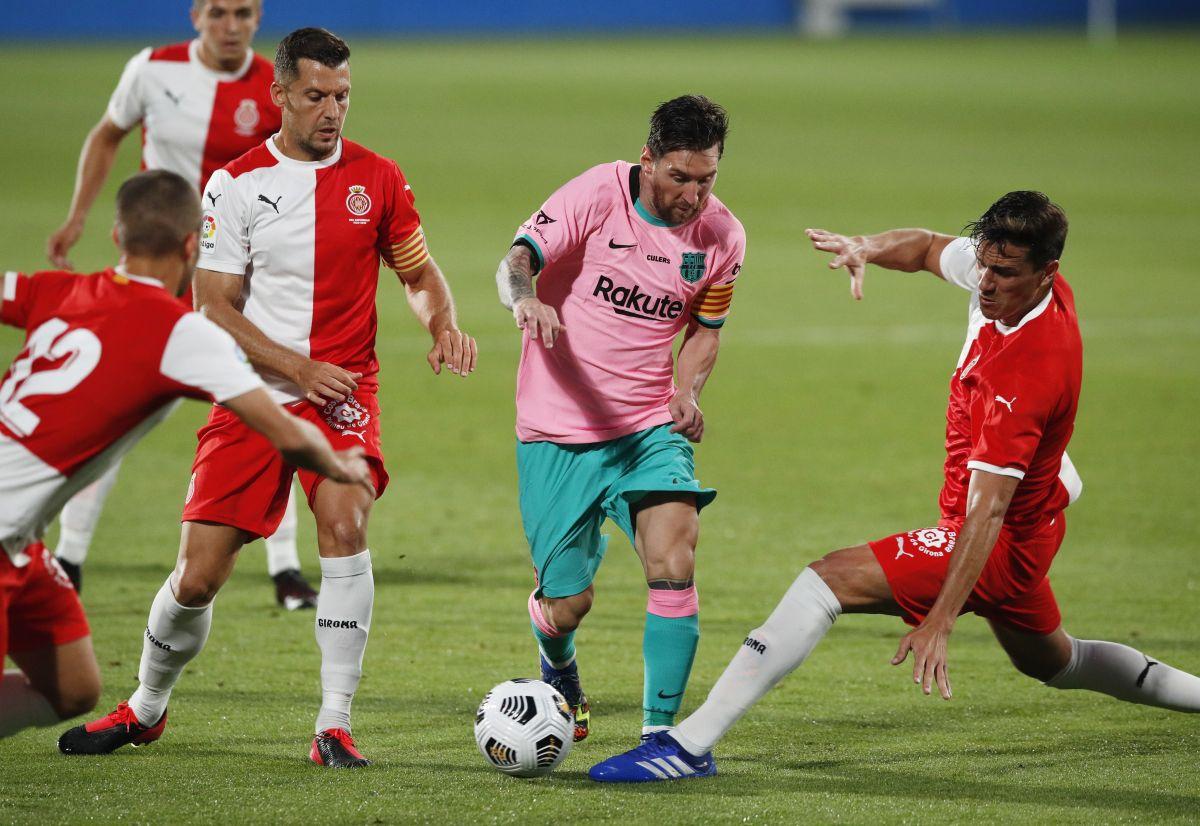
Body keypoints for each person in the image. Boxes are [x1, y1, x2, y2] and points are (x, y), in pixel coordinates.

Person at [588, 191, 1200, 782]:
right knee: (1057, 661)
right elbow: (931, 248)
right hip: (1032, 524)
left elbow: (985, 515)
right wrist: (867, 246)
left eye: (1004, 273)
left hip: (994, 538)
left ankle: (688, 746)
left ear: (1048, 274)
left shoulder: (1029, 367)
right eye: (984, 264)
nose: (985, 283)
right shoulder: (1010, 280)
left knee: (825, 581)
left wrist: (939, 619)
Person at [61, 28, 477, 768]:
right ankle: (146, 708)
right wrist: (297, 366)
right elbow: (213, 305)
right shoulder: (237, 183)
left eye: (343, 96)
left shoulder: (378, 177)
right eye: (316, 95)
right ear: (280, 94)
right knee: (198, 577)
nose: (332, 110)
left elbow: (416, 273)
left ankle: (333, 724)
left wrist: (442, 322)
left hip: (343, 394)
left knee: (346, 527)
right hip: (253, 393)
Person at [0, 169, 370, 740]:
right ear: (193, 244)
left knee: (72, 688)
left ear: (116, 236)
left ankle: (145, 708)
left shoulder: (57, 289)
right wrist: (343, 465)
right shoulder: (180, 334)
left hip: (21, 542)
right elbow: (287, 432)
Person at [43, 0, 316, 609]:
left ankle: (286, 568)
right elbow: (107, 133)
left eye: (243, 13)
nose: (231, 25)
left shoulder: (276, 92)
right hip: (156, 275)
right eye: (219, 12)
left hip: (233, 278)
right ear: (196, 14)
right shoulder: (153, 70)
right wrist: (77, 217)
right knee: (115, 407)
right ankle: (70, 554)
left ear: (258, 18)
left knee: (267, 400)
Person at [494, 95, 746, 743]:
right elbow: (519, 258)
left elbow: (705, 331)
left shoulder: (722, 237)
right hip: (558, 432)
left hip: (647, 429)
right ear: (648, 160)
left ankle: (661, 740)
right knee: (568, 604)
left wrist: (687, 390)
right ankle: (559, 664)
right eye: (679, 177)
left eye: (707, 179)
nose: (693, 195)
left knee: (674, 558)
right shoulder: (597, 194)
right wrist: (526, 303)